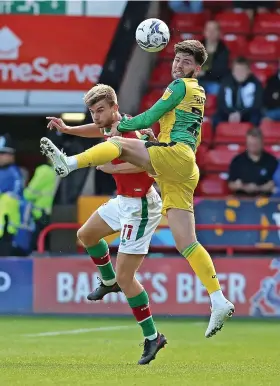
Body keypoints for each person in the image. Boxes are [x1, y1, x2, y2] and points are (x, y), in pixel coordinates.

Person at [41, 40, 235, 342]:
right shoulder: (198, 92)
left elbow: (151, 115)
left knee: (117, 144)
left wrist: (128, 126)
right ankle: (219, 299)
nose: (178, 65)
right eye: (176, 59)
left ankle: (69, 163)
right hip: (182, 168)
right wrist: (146, 137)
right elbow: (167, 123)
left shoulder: (180, 86)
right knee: (187, 243)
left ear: (197, 69)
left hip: (176, 156)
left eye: (186, 62)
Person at [44, 85, 164, 366]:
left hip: (141, 206)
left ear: (114, 107)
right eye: (92, 112)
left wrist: (110, 168)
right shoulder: (113, 127)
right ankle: (108, 281)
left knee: (128, 278)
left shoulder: (129, 131)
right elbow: (96, 131)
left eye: (101, 110)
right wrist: (69, 129)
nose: (96, 117)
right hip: (124, 200)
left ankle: (152, 336)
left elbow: (149, 167)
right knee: (86, 234)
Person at [213, 57, 263, 128]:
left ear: (249, 71)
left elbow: (257, 105)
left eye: (242, 70)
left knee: (256, 117)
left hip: (247, 113)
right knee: (216, 118)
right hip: (229, 113)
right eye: (236, 70)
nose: (239, 73)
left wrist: (241, 114)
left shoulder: (256, 83)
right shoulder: (226, 82)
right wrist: (231, 113)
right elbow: (221, 103)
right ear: (232, 71)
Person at [228, 127, 278, 197]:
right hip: (242, 199)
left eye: (256, 144)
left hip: (265, 200)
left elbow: (274, 184)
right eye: (250, 144)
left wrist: (258, 188)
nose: (253, 147)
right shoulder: (237, 160)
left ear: (262, 142)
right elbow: (231, 184)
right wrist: (243, 187)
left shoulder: (272, 161)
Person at [199, 20, 229, 95]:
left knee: (217, 89)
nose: (211, 32)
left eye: (214, 30)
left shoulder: (223, 49)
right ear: (204, 32)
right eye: (208, 30)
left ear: (219, 32)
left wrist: (204, 72)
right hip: (196, 81)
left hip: (214, 82)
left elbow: (220, 71)